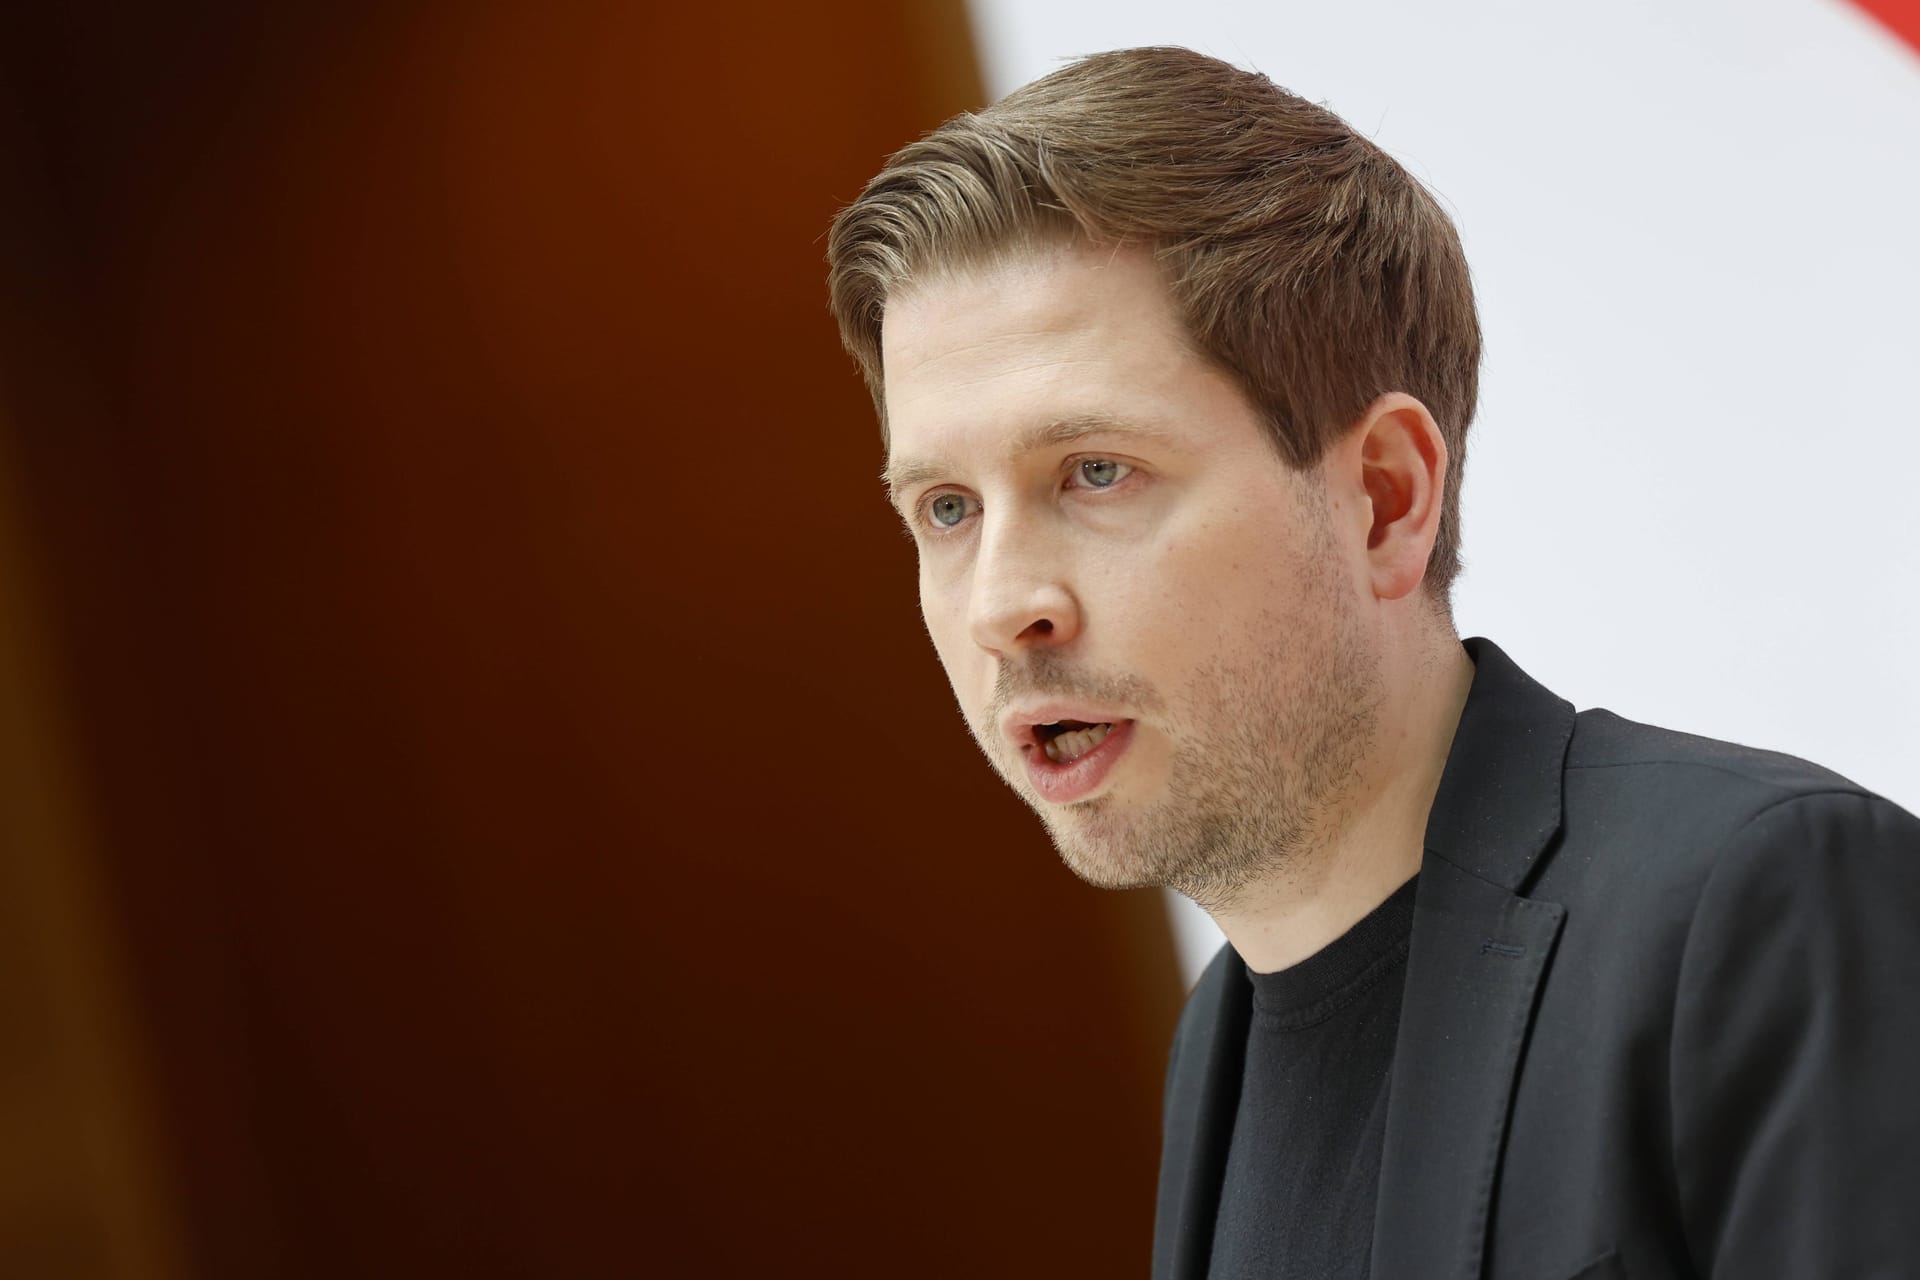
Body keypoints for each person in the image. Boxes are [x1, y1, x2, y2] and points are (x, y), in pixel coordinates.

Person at [824, 45, 1920, 1280]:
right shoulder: (1215, 1049)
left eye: (1096, 471)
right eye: (949, 508)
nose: (1002, 607)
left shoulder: (1763, 899)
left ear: (1385, 498)